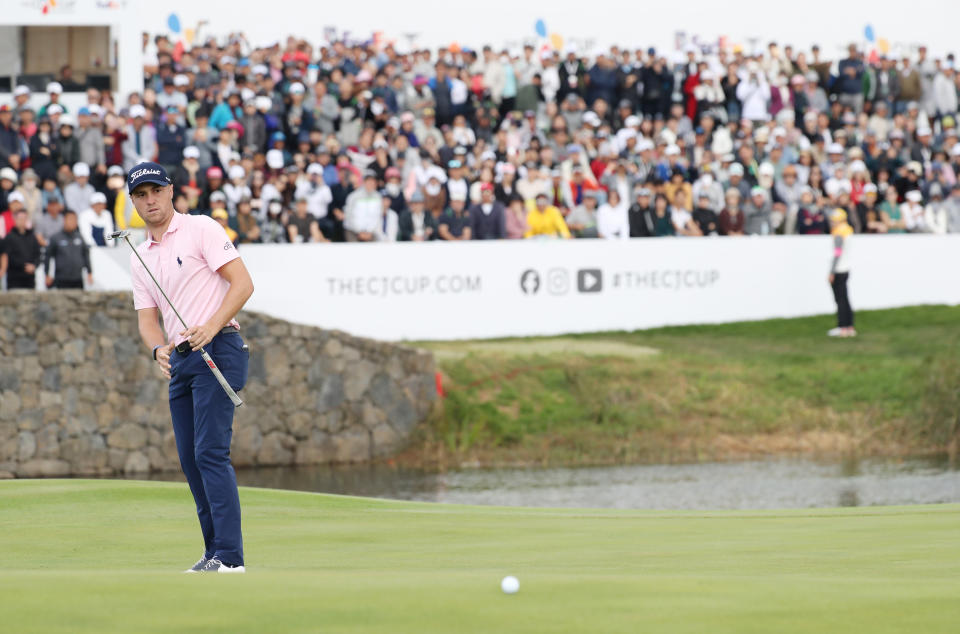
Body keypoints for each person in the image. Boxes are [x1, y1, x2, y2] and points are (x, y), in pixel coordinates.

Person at [125, 162, 254, 573]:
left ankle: (231, 558)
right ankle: (213, 551)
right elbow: (147, 319)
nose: (151, 201)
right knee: (190, 458)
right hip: (180, 360)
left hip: (220, 347)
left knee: (210, 452)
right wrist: (157, 349)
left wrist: (211, 324)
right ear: (134, 202)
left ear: (170, 191)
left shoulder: (202, 228)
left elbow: (243, 283)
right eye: (141, 195)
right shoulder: (141, 255)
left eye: (156, 192)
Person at [44, 210, 92, 289]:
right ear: (64, 220)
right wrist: (47, 274)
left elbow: (86, 254)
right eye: (70, 219)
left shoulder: (79, 237)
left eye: (74, 219)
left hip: (77, 278)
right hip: (61, 279)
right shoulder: (56, 238)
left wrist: (89, 272)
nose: (72, 222)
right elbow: (48, 256)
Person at [827, 208, 855, 338]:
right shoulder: (848, 231)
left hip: (839, 270)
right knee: (845, 298)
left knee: (840, 300)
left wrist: (831, 271)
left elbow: (837, 254)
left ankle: (843, 327)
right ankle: (849, 326)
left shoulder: (839, 233)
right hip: (846, 268)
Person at [2, 206, 40, 289]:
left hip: (30, 279)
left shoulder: (32, 237)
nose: (23, 221)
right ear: (15, 219)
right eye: (20, 218)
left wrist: (34, 265)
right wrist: (24, 266)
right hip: (14, 279)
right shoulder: (9, 237)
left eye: (25, 218)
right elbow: (7, 257)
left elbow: (37, 254)